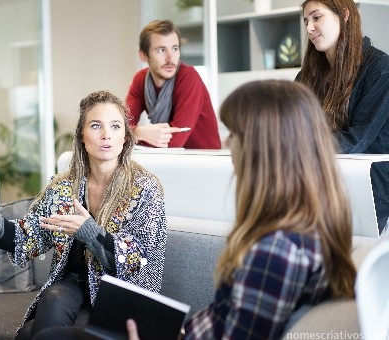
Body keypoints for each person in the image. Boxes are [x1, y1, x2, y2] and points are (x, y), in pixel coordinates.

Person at [124, 80, 356, 339]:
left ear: (261, 148)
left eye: (234, 133)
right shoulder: (306, 230)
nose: (226, 142)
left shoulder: (276, 252)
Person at [0, 90, 167, 339]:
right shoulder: (63, 187)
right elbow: (26, 238)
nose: (106, 135)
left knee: (31, 333)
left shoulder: (145, 188)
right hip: (72, 285)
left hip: (120, 293)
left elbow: (135, 259)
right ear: (82, 137)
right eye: (96, 126)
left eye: (115, 126)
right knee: (53, 298)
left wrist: (89, 231)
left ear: (125, 137)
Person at [297, 0, 389, 235]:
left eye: (317, 17)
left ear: (345, 15)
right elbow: (289, 125)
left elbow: (358, 139)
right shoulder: (307, 75)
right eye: (306, 20)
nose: (309, 28)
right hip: (318, 183)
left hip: (368, 189)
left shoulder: (379, 68)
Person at [125, 19, 221, 149]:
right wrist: (139, 132)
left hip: (203, 160)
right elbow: (120, 128)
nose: (170, 58)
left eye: (175, 49)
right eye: (161, 50)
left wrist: (135, 135)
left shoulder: (188, 77)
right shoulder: (140, 79)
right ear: (144, 56)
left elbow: (175, 141)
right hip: (168, 159)